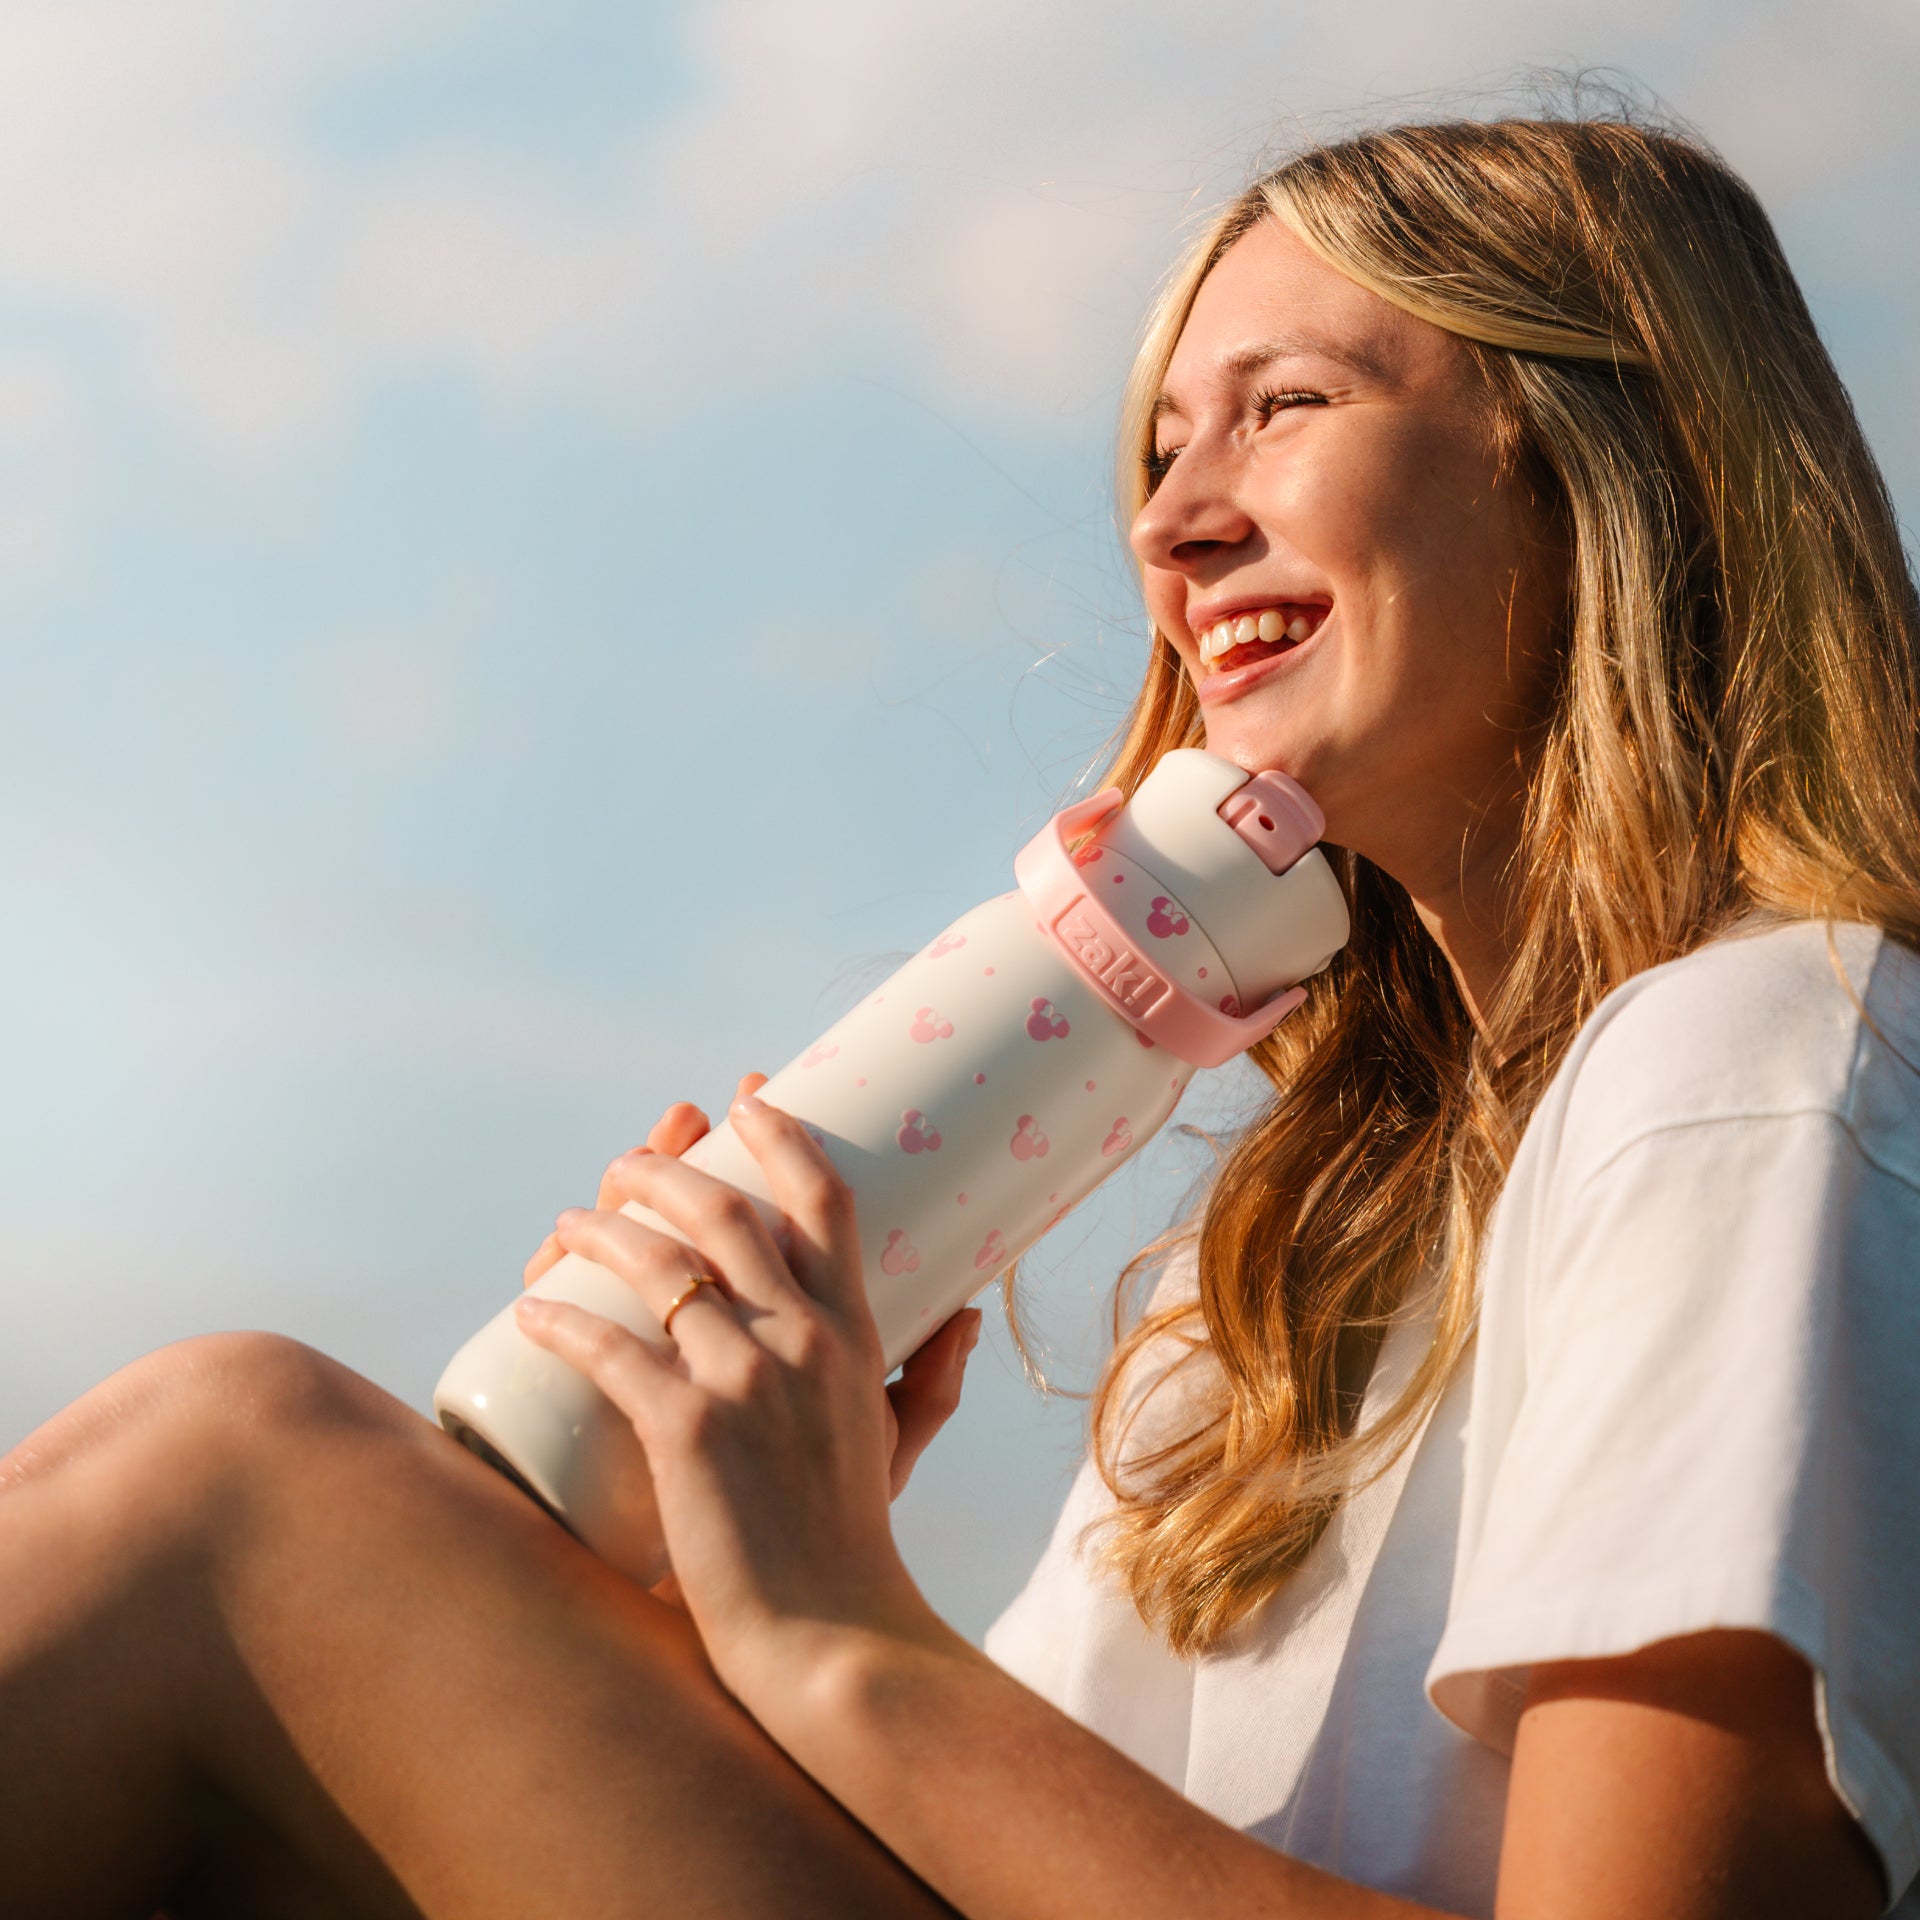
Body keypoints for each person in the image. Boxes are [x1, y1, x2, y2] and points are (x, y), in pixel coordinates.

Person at [3, 109, 1916, 1919]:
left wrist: (839, 1627)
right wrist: (714, 1542)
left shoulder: (1756, 1062)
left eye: (1288, 407)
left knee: (237, 1480)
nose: (1173, 525)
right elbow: (971, 1848)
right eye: (1164, 449)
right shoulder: (1267, 1276)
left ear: (1614, 462)